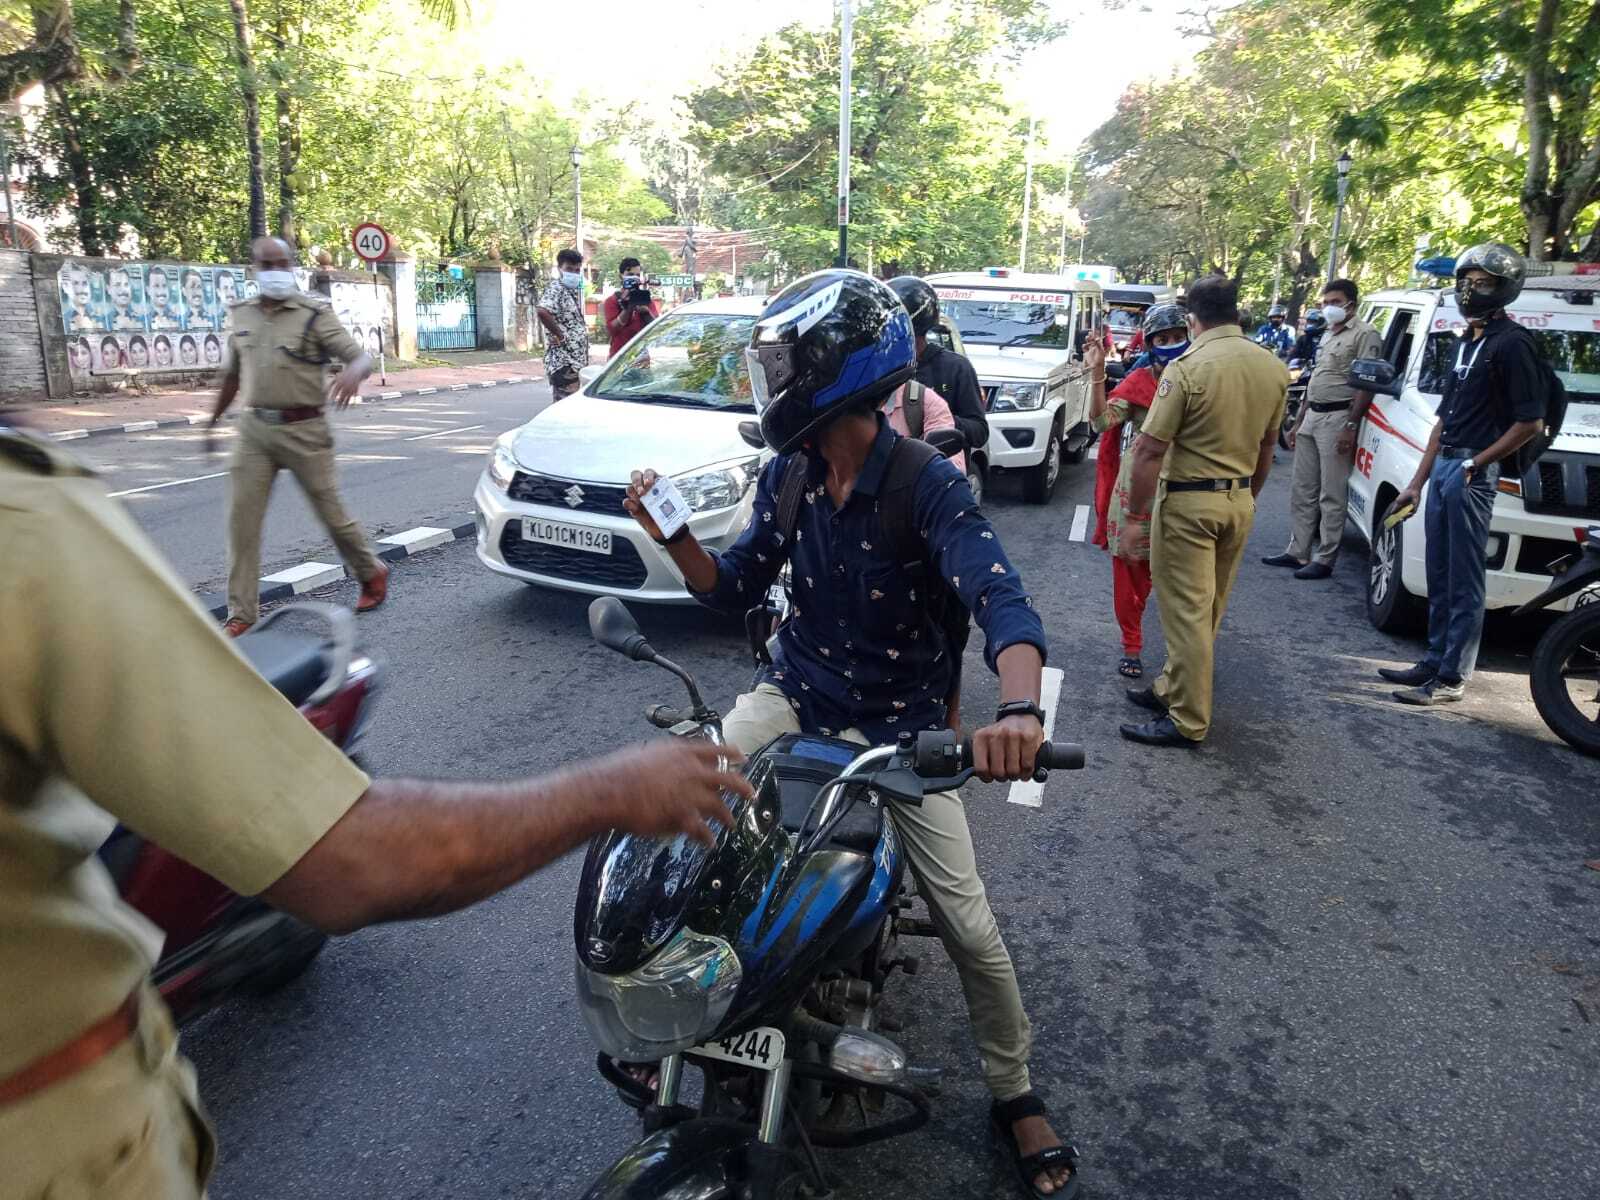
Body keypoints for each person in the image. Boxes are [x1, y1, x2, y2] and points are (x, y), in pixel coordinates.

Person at [0, 420, 751, 1200]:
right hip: (66, 1157)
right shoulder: (27, 522)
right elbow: (353, 859)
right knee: (713, 819)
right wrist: (612, 788)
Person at [625, 269, 1081, 1199]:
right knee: (685, 821)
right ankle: (678, 1009)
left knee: (968, 927)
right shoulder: (792, 472)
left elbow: (1003, 603)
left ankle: (1015, 1090)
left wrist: (1019, 713)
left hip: (902, 729)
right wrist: (673, 536)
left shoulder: (927, 486)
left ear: (835, 372)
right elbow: (735, 586)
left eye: (784, 365)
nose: (771, 381)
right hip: (795, 693)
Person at [1122, 275, 1288, 748]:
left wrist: (1134, 518)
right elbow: (1268, 446)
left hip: (1189, 504)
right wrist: (1248, 495)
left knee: (1186, 614)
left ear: (1193, 319)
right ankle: (1170, 688)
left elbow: (1150, 450)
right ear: (1236, 312)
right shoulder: (1272, 367)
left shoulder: (1188, 367)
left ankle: (1187, 718)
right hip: (1237, 500)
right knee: (1208, 608)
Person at [1379, 243, 1545, 705]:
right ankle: (1433, 659)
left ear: (1505, 288)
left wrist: (1477, 463)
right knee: (1440, 570)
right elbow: (1443, 421)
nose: (1470, 291)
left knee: (1465, 577)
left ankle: (1451, 677)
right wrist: (1416, 482)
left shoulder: (1513, 344)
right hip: (1446, 464)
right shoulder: (1464, 341)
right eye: (1465, 281)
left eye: (1483, 283)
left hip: (1473, 471)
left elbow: (1529, 422)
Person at [207, 237, 389, 637]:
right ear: (255, 268)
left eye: (282, 263)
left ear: (292, 265)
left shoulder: (313, 314)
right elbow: (233, 375)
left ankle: (369, 570)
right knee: (241, 522)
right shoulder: (242, 315)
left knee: (330, 513)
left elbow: (359, 356)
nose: (275, 271)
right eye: (266, 264)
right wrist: (212, 421)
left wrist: (352, 373)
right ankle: (242, 613)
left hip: (305, 429)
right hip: (254, 430)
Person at [1084, 303, 1190, 680]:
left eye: (1178, 337)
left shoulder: (1204, 378)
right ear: (1150, 343)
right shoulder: (1140, 381)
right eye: (1164, 338)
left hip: (1186, 487)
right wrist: (1098, 373)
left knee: (1182, 579)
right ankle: (1132, 644)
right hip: (1137, 490)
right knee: (1130, 572)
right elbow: (1101, 422)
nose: (1172, 344)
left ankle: (1186, 659)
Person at [1261, 279, 1381, 580]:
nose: (1329, 307)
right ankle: (1298, 550)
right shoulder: (1328, 333)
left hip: (1338, 417)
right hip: (1312, 415)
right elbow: (1316, 378)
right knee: (1303, 489)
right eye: (1326, 302)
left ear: (1351, 304)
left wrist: (1350, 425)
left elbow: (1366, 384)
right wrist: (1299, 419)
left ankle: (1325, 558)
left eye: (1335, 302)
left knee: (1331, 493)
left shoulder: (1365, 334)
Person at [887, 275, 990, 451]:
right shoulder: (880, 369)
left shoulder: (956, 368)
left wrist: (936, 417)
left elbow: (979, 432)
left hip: (941, 462)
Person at [536, 248, 589, 401]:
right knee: (566, 406)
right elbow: (542, 311)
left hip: (574, 362)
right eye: (569, 269)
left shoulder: (569, 291)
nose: (573, 274)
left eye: (577, 270)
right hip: (564, 362)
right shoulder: (556, 289)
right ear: (560, 268)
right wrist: (560, 335)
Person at [602, 257, 660, 357]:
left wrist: (646, 312)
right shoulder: (612, 300)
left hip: (641, 358)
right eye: (630, 275)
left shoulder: (645, 299)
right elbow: (611, 330)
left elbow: (657, 329)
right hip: (618, 357)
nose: (634, 278)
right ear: (621, 276)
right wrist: (628, 309)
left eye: (637, 275)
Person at [60, 264, 99, 332]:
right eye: (76, 283)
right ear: (65, 287)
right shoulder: (64, 319)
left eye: (85, 283)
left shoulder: (100, 315)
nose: (82, 289)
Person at [105, 267, 144, 332]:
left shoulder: (141, 318)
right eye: (117, 285)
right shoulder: (104, 320)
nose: (123, 290)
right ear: (108, 289)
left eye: (126, 284)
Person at [145, 266, 181, 330]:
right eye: (156, 286)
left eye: (164, 286)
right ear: (148, 290)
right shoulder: (143, 318)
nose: (161, 291)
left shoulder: (178, 317)